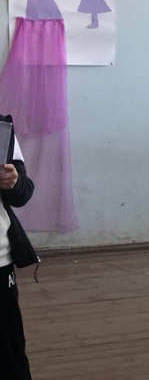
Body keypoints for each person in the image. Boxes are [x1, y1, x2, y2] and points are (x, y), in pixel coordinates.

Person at [0, 115, 38, 380]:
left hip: (0, 263)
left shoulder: (2, 130)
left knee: (8, 355)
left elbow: (24, 191)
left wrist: (14, 183)